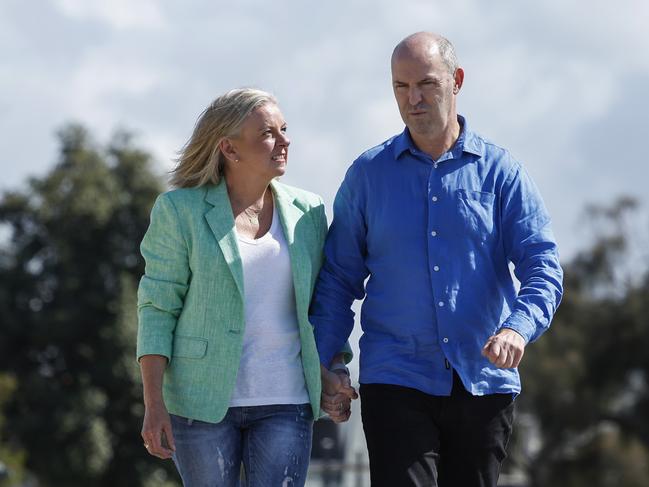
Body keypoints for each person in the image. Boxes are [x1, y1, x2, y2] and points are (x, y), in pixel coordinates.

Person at [310, 32, 564, 487]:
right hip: (396, 377)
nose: (414, 99)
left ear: (457, 80)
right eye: (401, 87)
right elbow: (337, 279)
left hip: (484, 381)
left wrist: (517, 328)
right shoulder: (368, 176)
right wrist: (325, 362)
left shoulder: (502, 173)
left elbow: (542, 265)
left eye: (426, 83)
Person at [136, 88, 353, 487]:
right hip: (200, 404)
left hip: (286, 400)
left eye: (284, 130)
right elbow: (157, 309)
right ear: (229, 149)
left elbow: (324, 302)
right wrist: (153, 404)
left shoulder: (310, 212)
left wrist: (334, 367)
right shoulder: (178, 212)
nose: (285, 141)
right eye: (268, 134)